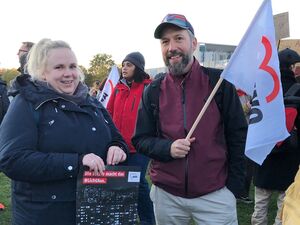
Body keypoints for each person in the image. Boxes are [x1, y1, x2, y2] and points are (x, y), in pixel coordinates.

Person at [132, 13, 247, 225]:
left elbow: (238, 136)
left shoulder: (219, 83)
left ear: (193, 43)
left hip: (215, 194)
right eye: (165, 42)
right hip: (167, 196)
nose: (171, 47)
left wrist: (234, 187)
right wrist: (168, 148)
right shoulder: (153, 90)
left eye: (178, 38)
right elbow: (140, 139)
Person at [0, 38, 128, 225]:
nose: (69, 74)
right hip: (45, 216)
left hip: (95, 209)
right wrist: (77, 162)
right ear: (43, 73)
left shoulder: (91, 102)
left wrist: (117, 147)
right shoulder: (26, 103)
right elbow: (12, 159)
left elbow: (116, 137)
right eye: (59, 67)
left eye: (72, 66)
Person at [251, 48, 300, 225]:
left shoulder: (263, 88)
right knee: (284, 205)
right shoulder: (298, 90)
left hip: (264, 153)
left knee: (261, 204)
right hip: (290, 155)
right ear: (293, 68)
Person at [107, 52, 155, 225]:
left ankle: (148, 220)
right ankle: (122, 218)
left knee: (138, 183)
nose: (124, 68)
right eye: (123, 64)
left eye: (129, 64)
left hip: (139, 148)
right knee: (118, 183)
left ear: (138, 67)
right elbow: (109, 113)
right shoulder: (118, 88)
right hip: (118, 147)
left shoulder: (149, 87)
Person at [236, 88, 254, 204]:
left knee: (248, 165)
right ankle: (237, 193)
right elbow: (234, 113)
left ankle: (243, 194)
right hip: (237, 135)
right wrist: (247, 108)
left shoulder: (249, 94)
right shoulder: (233, 94)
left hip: (249, 133)